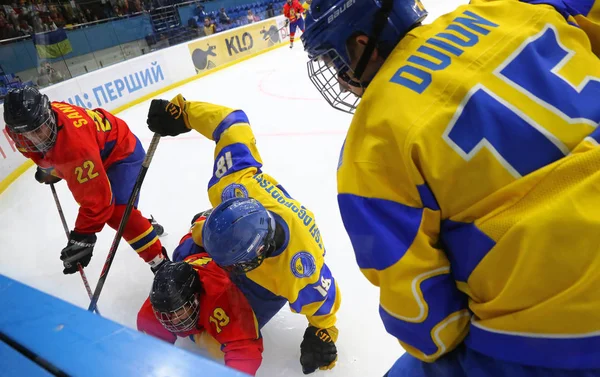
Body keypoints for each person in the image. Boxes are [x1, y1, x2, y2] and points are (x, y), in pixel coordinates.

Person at [301, 0, 600, 376]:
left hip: (567, 330)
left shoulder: (371, 143)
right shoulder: (508, 9)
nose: (341, 77)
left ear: (364, 43)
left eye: (335, 60)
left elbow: (432, 328)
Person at [145, 95, 341, 374]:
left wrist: (323, 336)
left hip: (267, 282)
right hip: (238, 235)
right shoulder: (232, 183)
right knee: (188, 249)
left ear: (258, 255)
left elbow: (325, 307)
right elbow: (231, 123)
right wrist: (183, 112)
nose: (217, 267)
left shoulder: (298, 270)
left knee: (228, 332)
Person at [3, 86, 167, 275]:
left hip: (121, 152)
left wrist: (82, 237)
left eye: (39, 130)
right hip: (95, 150)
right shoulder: (25, 127)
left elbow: (99, 203)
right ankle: (141, 228)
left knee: (120, 214)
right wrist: (50, 166)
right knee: (123, 215)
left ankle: (160, 263)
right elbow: (41, 149)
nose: (35, 139)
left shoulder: (75, 149)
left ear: (47, 115)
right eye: (27, 134)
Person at [137, 214, 264, 376]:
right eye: (167, 315)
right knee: (184, 249)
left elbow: (245, 349)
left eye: (179, 312)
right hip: (191, 258)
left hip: (222, 263)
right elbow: (149, 357)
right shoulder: (152, 312)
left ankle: (206, 219)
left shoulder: (220, 297)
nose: (173, 321)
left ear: (197, 296)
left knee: (217, 347)